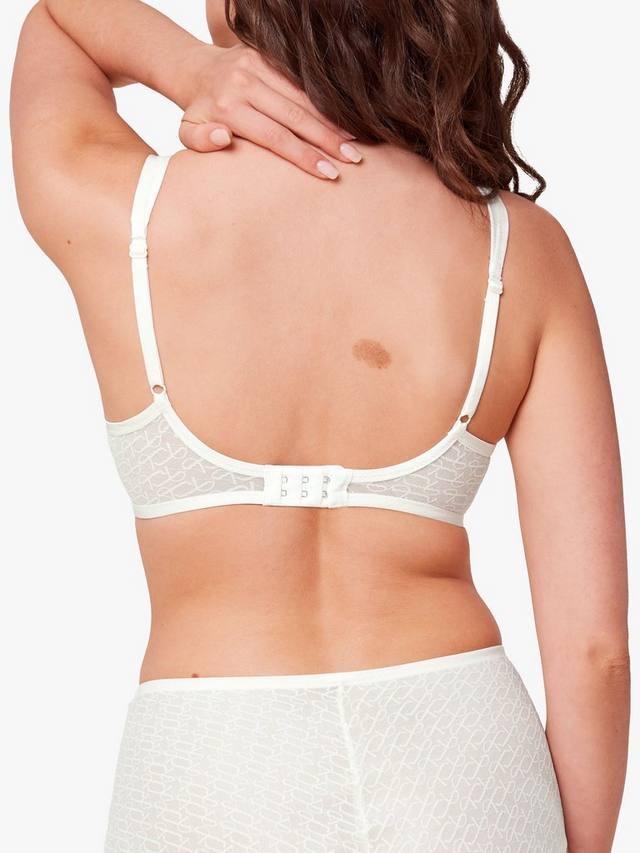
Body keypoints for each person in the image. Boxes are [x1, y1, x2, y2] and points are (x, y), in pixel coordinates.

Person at [10, 1, 630, 851]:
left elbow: (56, 17)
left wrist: (187, 67)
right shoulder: (518, 248)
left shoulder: (119, 207)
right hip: (462, 762)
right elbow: (596, 652)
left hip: (211, 770)